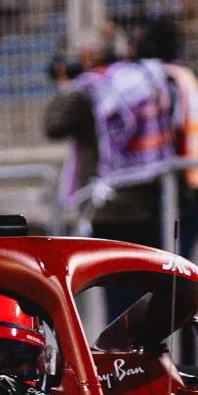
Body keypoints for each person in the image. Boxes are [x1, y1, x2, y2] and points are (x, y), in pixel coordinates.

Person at [44, 35, 179, 246]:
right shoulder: (147, 80)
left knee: (107, 275)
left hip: (104, 207)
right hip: (150, 200)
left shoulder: (90, 91)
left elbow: (53, 125)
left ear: (89, 56)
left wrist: (66, 86)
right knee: (145, 274)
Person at [129, 16, 198, 258]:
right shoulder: (184, 75)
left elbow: (170, 128)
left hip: (181, 182)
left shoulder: (162, 79)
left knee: (168, 270)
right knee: (176, 267)